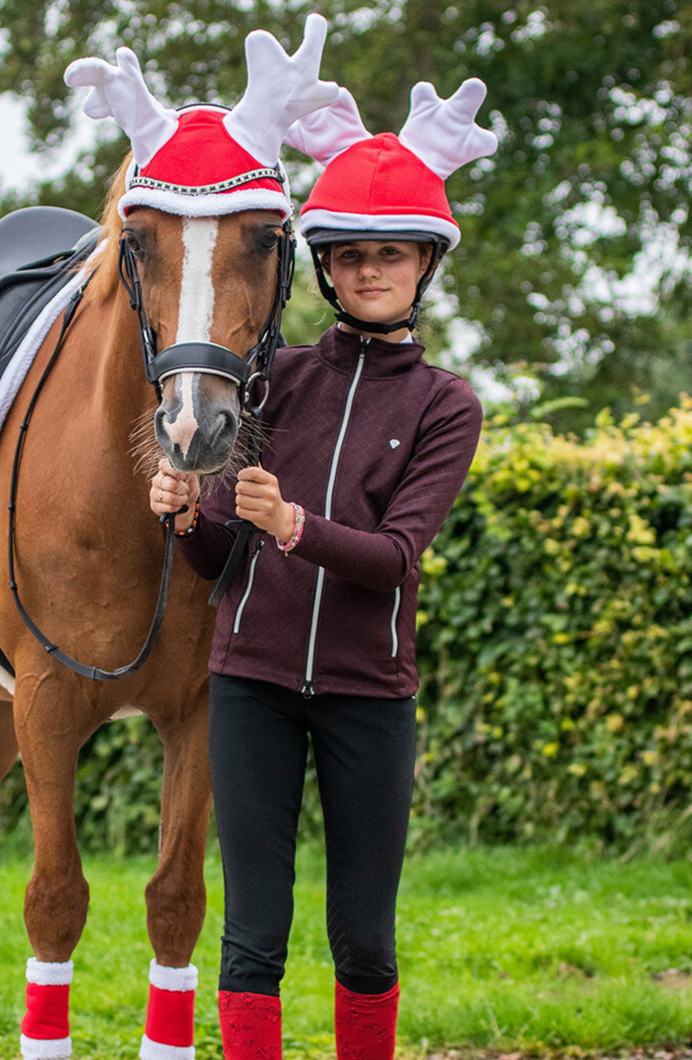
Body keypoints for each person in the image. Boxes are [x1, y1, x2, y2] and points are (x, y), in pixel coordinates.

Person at [149, 79, 498, 1060]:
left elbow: (394, 560)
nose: (369, 270)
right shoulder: (278, 377)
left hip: (366, 694)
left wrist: (295, 525)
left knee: (363, 941)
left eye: (389, 253)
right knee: (252, 939)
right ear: (327, 270)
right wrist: (185, 520)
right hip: (250, 684)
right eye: (350, 255)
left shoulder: (446, 405)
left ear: (422, 263)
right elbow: (224, 556)